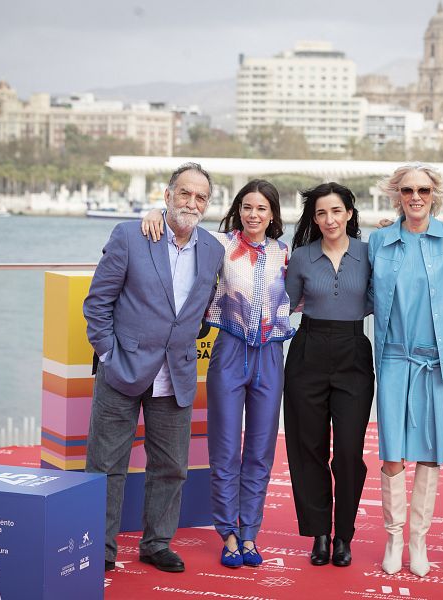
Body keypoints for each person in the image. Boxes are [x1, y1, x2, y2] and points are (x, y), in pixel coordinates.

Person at [142, 180, 294, 568]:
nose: (253, 214)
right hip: (229, 351)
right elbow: (181, 229)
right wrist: (155, 215)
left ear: (273, 213)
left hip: (271, 356)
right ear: (238, 210)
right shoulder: (219, 245)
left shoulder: (285, 253)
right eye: (246, 207)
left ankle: (249, 534)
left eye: (261, 208)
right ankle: (227, 532)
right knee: (225, 449)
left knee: (260, 451)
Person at [84, 161, 224, 574]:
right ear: (167, 196)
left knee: (171, 467)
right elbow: (97, 303)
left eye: (201, 197)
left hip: (176, 374)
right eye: (184, 193)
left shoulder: (214, 250)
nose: (192, 202)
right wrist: (109, 354)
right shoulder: (131, 234)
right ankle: (101, 547)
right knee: (107, 464)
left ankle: (157, 543)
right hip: (122, 369)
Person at [369, 163, 443, 577]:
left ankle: (418, 541)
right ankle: (393, 537)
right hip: (392, 358)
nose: (416, 197)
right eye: (407, 190)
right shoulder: (378, 240)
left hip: (437, 363)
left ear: (435, 193)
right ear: (396, 194)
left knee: (430, 455)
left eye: (423, 189)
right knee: (391, 453)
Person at [283, 183, 374, 567]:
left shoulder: (371, 254)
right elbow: (282, 305)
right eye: (321, 213)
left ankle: (344, 536)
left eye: (336, 211)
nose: (329, 219)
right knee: (308, 449)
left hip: (353, 352)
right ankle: (320, 534)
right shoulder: (302, 257)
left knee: (350, 453)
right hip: (308, 351)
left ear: (350, 214)